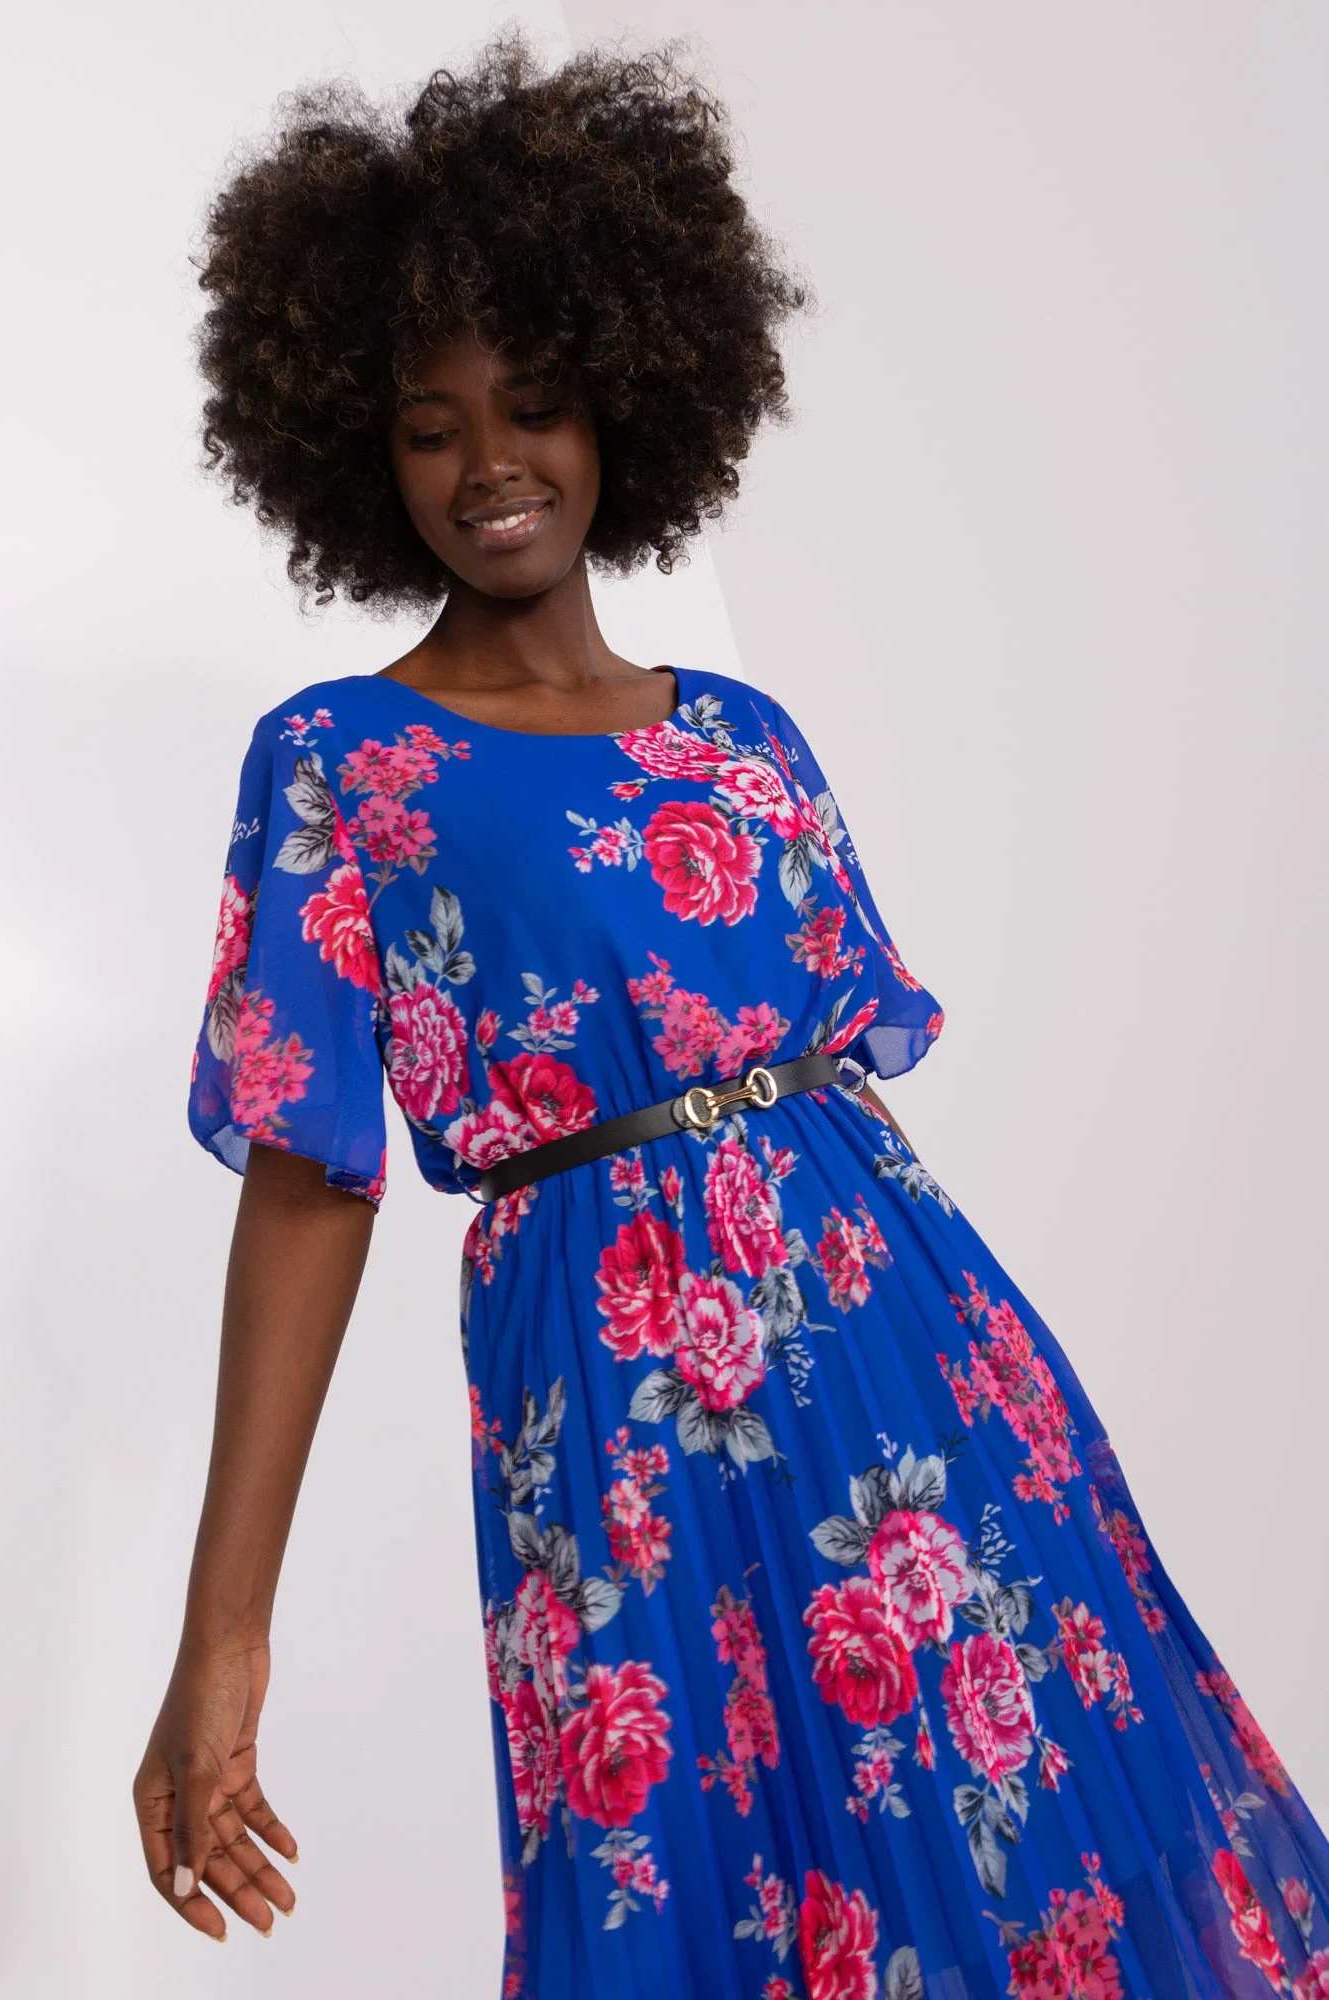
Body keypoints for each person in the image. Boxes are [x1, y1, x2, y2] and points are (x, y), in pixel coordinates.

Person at [133, 37, 1329, 2000]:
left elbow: (843, 1105)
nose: (492, 462)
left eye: (536, 404)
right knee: (690, 1868)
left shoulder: (745, 737)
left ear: (626, 396)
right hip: (606, 1393)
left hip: (915, 1378)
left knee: (1009, 1853)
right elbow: (309, 1178)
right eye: (433, 427)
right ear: (360, 450)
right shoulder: (340, 762)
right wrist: (224, 1638)